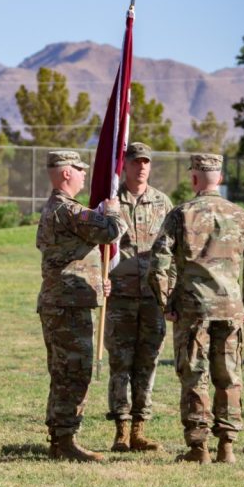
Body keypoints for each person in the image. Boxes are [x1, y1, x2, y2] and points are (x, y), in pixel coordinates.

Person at [148, 153, 244, 465]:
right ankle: (227, 446)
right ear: (221, 179)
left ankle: (198, 447)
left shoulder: (181, 215)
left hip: (192, 310)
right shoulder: (241, 216)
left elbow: (158, 262)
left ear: (193, 179)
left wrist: (165, 302)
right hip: (229, 309)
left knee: (194, 375)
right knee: (229, 375)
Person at [36, 150, 127, 463]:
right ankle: (64, 440)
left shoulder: (57, 208)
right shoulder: (68, 209)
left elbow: (71, 254)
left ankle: (61, 436)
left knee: (65, 371)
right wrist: (114, 211)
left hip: (64, 300)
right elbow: (111, 231)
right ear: (66, 174)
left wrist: (95, 278)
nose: (84, 174)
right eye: (79, 169)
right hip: (66, 304)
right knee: (73, 372)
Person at [105, 142, 173, 452]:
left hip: (153, 297)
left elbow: (172, 250)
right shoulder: (110, 201)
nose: (142, 167)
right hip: (119, 296)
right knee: (121, 363)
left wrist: (169, 289)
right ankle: (120, 429)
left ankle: (138, 429)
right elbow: (97, 248)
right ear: (126, 165)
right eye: (136, 161)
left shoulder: (162, 202)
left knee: (147, 362)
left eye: (146, 161)